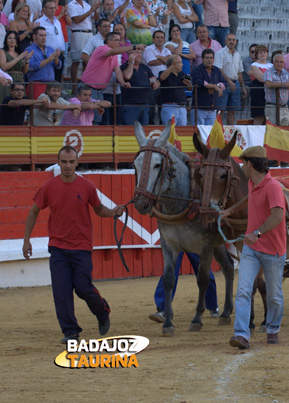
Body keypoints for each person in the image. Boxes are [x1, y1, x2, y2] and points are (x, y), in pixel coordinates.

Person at [22, 145, 125, 343]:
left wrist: (113, 212)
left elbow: (98, 209)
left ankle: (102, 311)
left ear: (77, 162)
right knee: (61, 292)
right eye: (64, 162)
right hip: (58, 248)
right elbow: (34, 211)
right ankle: (70, 332)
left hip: (81, 247)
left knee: (83, 288)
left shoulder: (86, 186)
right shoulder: (49, 187)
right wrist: (26, 240)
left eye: (71, 162)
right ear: (58, 163)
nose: (68, 166)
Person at [221, 145, 286, 349]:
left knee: (274, 295)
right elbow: (251, 199)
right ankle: (242, 334)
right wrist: (231, 210)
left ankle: (273, 328)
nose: (241, 165)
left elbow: (277, 215)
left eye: (243, 162)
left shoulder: (273, 186)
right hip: (252, 249)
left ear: (250, 164)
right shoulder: (252, 183)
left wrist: (256, 233)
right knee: (243, 291)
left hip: (273, 250)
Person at [149, 252, 219, 323]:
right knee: (170, 271)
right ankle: (163, 310)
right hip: (177, 241)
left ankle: (213, 306)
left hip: (194, 241)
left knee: (204, 271)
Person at [68, 0, 100, 93]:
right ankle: (74, 86)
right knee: (76, 60)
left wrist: (96, 10)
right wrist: (91, 10)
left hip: (89, 32)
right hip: (78, 32)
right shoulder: (71, 5)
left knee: (87, 61)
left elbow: (96, 19)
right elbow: (76, 20)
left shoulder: (86, 5)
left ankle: (85, 84)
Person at [214, 32, 246, 125]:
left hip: (235, 83)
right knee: (221, 110)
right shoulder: (220, 53)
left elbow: (239, 72)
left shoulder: (238, 55)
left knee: (233, 110)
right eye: (229, 40)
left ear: (236, 42)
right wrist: (229, 81)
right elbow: (218, 69)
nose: (231, 42)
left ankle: (231, 131)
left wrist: (242, 86)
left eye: (233, 40)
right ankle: (218, 131)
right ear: (225, 41)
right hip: (223, 83)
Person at [121, 49, 160, 125]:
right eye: (137, 53)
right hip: (130, 105)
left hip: (145, 104)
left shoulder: (145, 67)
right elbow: (127, 76)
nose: (140, 55)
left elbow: (153, 79)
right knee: (130, 130)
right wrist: (131, 62)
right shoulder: (124, 67)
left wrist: (156, 84)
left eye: (140, 53)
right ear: (130, 55)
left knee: (143, 131)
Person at [190, 48, 226, 124]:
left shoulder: (217, 70)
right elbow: (198, 82)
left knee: (210, 133)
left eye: (211, 58)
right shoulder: (197, 70)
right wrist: (214, 86)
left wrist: (215, 86)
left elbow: (224, 83)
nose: (209, 60)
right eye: (207, 58)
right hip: (199, 107)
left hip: (212, 108)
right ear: (202, 59)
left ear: (213, 59)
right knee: (199, 132)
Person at [25, 27, 61, 99]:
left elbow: (58, 66)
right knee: (37, 108)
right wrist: (48, 60)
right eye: (41, 35)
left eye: (45, 35)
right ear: (34, 36)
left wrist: (56, 58)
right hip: (36, 85)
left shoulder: (50, 49)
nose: (43, 38)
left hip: (50, 86)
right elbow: (30, 66)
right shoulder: (29, 50)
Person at [144, 30, 171, 124]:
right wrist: (165, 60)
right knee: (152, 104)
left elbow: (171, 62)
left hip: (165, 80)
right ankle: (150, 125)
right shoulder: (148, 49)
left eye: (162, 37)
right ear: (153, 39)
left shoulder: (167, 50)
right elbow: (151, 62)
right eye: (158, 37)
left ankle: (162, 125)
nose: (160, 39)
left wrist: (159, 57)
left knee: (163, 105)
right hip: (152, 80)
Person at [36, 0, 65, 83]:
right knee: (50, 81)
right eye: (50, 8)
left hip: (59, 54)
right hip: (48, 55)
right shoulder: (39, 22)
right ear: (44, 9)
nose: (53, 10)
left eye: (54, 8)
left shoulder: (57, 21)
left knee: (58, 80)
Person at [263, 53, 289, 126]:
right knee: (273, 130)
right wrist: (283, 84)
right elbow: (268, 83)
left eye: (281, 62)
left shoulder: (285, 72)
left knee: (284, 131)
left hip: (284, 106)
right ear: (273, 63)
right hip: (273, 107)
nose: (279, 64)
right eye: (277, 61)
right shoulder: (268, 72)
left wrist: (288, 84)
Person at [159, 54, 190, 125]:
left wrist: (188, 83)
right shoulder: (164, 73)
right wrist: (171, 66)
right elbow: (162, 78)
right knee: (170, 131)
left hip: (182, 107)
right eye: (179, 62)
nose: (182, 64)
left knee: (182, 132)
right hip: (169, 107)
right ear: (173, 64)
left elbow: (190, 88)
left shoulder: (182, 74)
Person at [0, 30, 29, 102]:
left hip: (19, 79)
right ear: (6, 40)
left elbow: (25, 71)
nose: (12, 40)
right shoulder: (2, 51)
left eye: (14, 38)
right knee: (7, 101)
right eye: (10, 38)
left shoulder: (19, 53)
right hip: (7, 79)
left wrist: (27, 60)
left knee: (19, 102)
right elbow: (4, 67)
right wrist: (19, 58)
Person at [248, 44, 271, 125]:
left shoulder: (271, 65)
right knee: (259, 116)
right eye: (261, 52)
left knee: (269, 116)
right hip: (258, 92)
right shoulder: (254, 65)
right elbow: (262, 78)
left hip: (270, 93)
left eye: (265, 52)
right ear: (257, 55)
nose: (263, 54)